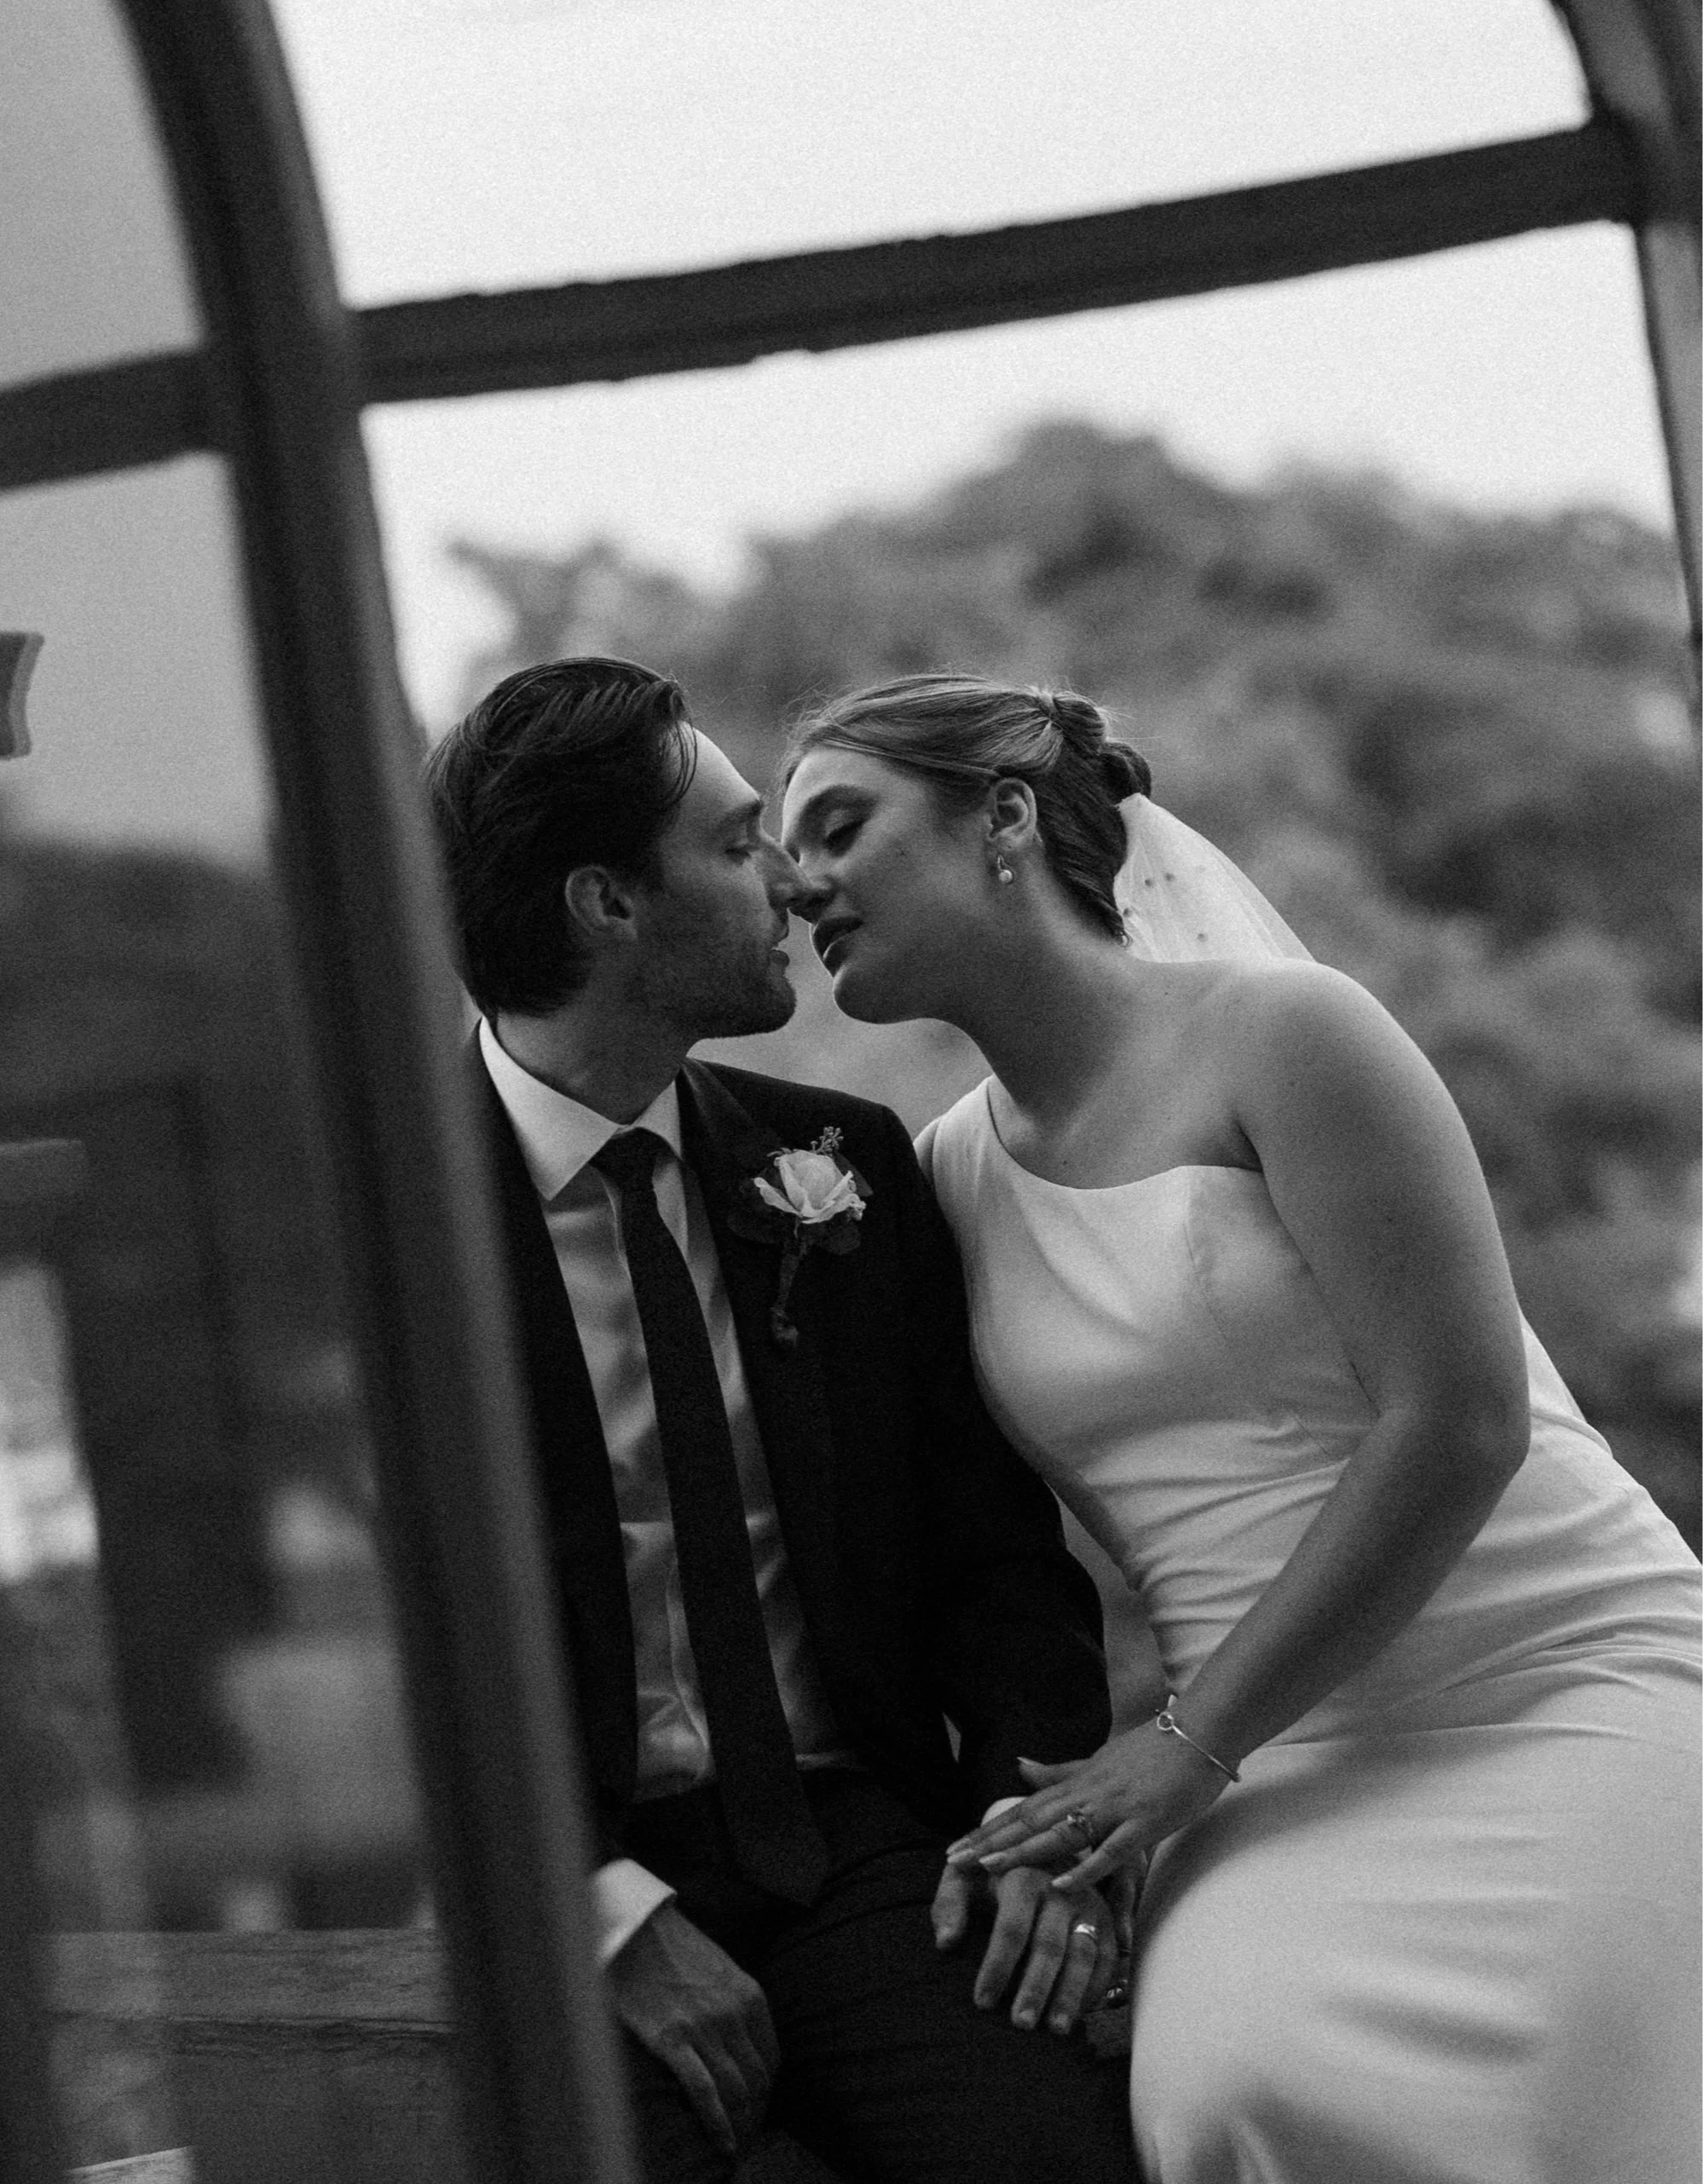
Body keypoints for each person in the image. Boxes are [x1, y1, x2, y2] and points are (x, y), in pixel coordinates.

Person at [778, 669, 1703, 2184]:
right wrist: (1046, 1816)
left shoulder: (1286, 1034)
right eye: (783, 849)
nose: (796, 880)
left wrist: (1181, 1748)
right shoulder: (934, 1179)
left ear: (1001, 817)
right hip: (1272, 1761)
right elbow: (969, 1561)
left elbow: (1461, 1420)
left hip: (1552, 1669)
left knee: (1568, 2079)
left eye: (838, 826)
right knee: (1233, 2089)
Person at [423, 658, 1138, 2184]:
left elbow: (998, 1568)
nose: (792, 884)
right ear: (608, 903)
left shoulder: (844, 1163)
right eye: (739, 842)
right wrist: (592, 1908)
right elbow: (373, 1656)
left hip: (861, 1851)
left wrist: (1030, 1840)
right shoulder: (377, 1229)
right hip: (559, 1895)